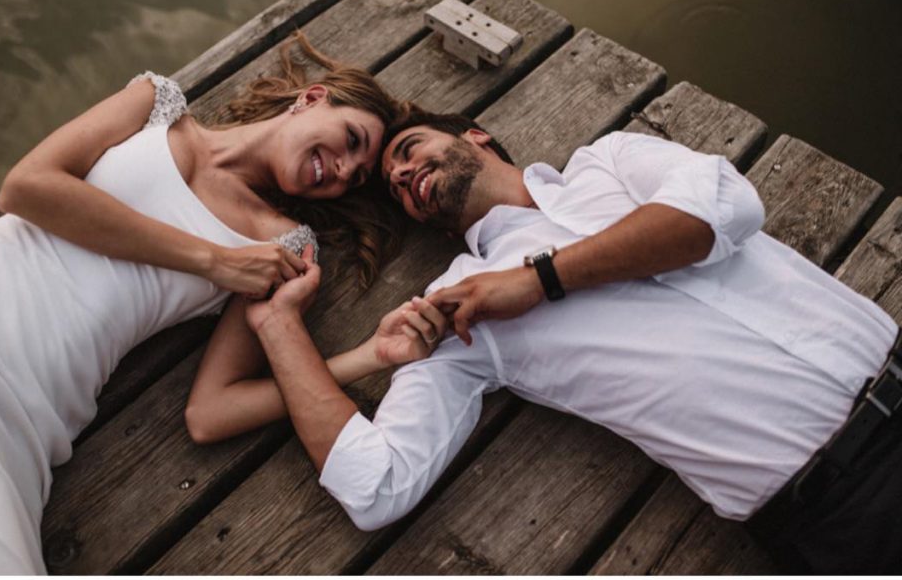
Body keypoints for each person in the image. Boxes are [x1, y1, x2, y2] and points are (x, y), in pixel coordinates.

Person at [242, 109, 901, 574]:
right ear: (431, 230)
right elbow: (375, 486)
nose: (403, 175)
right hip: (844, 507)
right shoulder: (459, 306)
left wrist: (539, 279)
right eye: (395, 188)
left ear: (477, 136)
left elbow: (725, 211)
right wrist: (279, 327)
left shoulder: (610, 163)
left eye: (410, 148)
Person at [0, 35, 436, 574]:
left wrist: (368, 357)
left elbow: (209, 413)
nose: (341, 170)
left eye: (354, 178)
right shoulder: (156, 105)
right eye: (352, 142)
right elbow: (26, 188)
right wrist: (212, 261)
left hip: (26, 410)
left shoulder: (285, 248)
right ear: (313, 99)